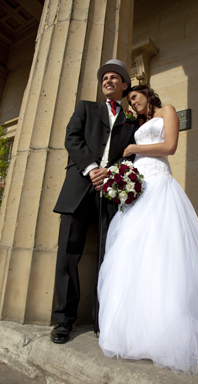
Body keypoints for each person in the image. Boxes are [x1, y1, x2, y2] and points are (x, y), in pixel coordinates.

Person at [97, 85, 198, 375]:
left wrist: (133, 148)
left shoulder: (167, 111)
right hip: (139, 191)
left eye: (135, 97)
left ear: (148, 94)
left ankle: (174, 321)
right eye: (129, 101)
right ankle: (139, 325)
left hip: (160, 188)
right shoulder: (139, 124)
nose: (133, 103)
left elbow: (169, 147)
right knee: (136, 255)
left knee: (165, 253)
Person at [51, 60, 138, 344]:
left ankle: (103, 319)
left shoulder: (131, 123)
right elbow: (72, 138)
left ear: (124, 85)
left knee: (107, 257)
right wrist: (91, 168)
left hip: (110, 195)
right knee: (68, 255)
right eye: (105, 77)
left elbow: (128, 159)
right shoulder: (85, 108)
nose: (108, 80)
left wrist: (112, 175)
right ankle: (64, 320)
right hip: (78, 187)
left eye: (115, 77)